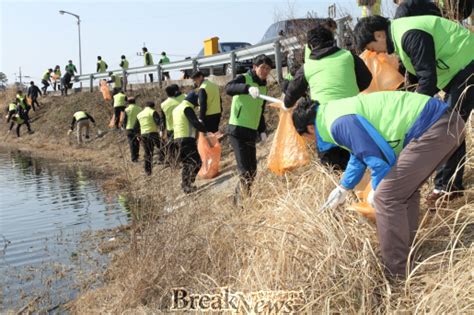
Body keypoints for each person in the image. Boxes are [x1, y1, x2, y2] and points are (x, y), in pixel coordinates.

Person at [292, 91, 464, 278]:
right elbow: (359, 153)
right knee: (405, 191)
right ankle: (408, 254)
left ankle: (397, 274)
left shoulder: (337, 123)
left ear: (310, 128)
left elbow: (377, 157)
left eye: (308, 138)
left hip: (435, 128)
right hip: (445, 124)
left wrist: (377, 187)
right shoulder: (333, 114)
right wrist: (343, 187)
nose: (312, 142)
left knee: (387, 197)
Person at [354, 15, 473, 204]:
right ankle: (450, 186)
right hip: (458, 71)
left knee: (448, 127)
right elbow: (421, 78)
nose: (375, 53)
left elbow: (427, 78)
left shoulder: (408, 35)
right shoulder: (402, 34)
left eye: (371, 48)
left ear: (379, 35)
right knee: (451, 125)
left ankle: (447, 188)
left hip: (467, 66)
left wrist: (411, 113)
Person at [284, 25, 373, 170]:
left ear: (310, 46)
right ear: (333, 40)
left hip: (327, 125)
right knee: (363, 166)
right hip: (355, 117)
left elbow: (290, 97)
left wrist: (287, 103)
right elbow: (367, 79)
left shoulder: (308, 67)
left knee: (335, 170)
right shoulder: (348, 56)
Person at [225, 54, 272, 203]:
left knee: (252, 171)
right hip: (237, 130)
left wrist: (262, 130)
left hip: (251, 132)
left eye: (268, 68)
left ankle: (241, 198)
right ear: (254, 67)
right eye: (262, 67)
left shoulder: (264, 87)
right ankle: (241, 203)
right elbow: (229, 88)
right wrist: (247, 88)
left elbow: (260, 109)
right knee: (244, 171)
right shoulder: (245, 78)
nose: (265, 71)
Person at [172, 92, 208, 193]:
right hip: (186, 139)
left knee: (187, 163)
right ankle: (187, 183)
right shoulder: (187, 108)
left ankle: (186, 185)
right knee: (197, 162)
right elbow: (195, 122)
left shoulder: (177, 109)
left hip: (177, 139)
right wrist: (206, 131)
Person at [161, 84, 186, 165]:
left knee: (171, 147)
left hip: (169, 128)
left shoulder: (163, 104)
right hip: (180, 127)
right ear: (175, 92)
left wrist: (162, 130)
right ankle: (182, 161)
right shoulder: (180, 101)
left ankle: (173, 163)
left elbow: (163, 119)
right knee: (181, 146)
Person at [135, 101, 162, 175]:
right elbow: (159, 122)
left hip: (143, 135)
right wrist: (161, 131)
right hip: (153, 133)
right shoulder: (153, 112)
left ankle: (148, 171)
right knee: (162, 147)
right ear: (153, 106)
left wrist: (138, 135)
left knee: (147, 153)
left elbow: (136, 127)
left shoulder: (139, 114)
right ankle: (164, 160)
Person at [122, 97, 142, 162]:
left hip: (129, 128)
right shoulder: (140, 109)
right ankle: (137, 156)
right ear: (134, 102)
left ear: (128, 102)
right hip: (138, 128)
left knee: (131, 143)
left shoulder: (127, 110)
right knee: (137, 142)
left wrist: (124, 128)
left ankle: (133, 158)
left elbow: (125, 120)